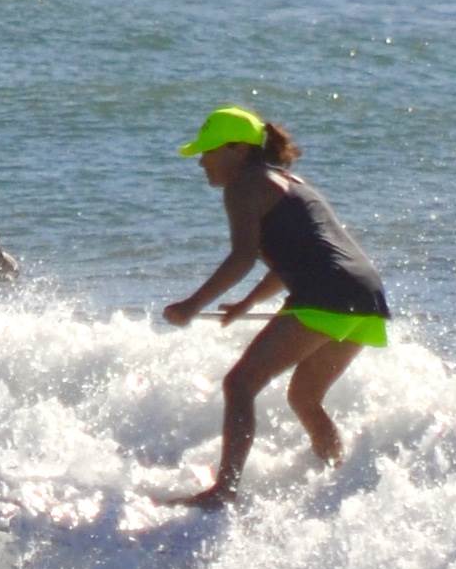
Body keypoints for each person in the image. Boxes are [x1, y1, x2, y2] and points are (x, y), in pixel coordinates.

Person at [161, 106, 391, 509]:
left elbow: (242, 258)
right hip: (365, 296)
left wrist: (191, 305)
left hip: (326, 292)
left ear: (237, 150)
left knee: (239, 385)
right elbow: (295, 260)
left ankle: (224, 491)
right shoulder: (290, 182)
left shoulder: (245, 185)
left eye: (209, 151)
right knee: (304, 397)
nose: (202, 162)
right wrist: (245, 304)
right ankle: (337, 479)